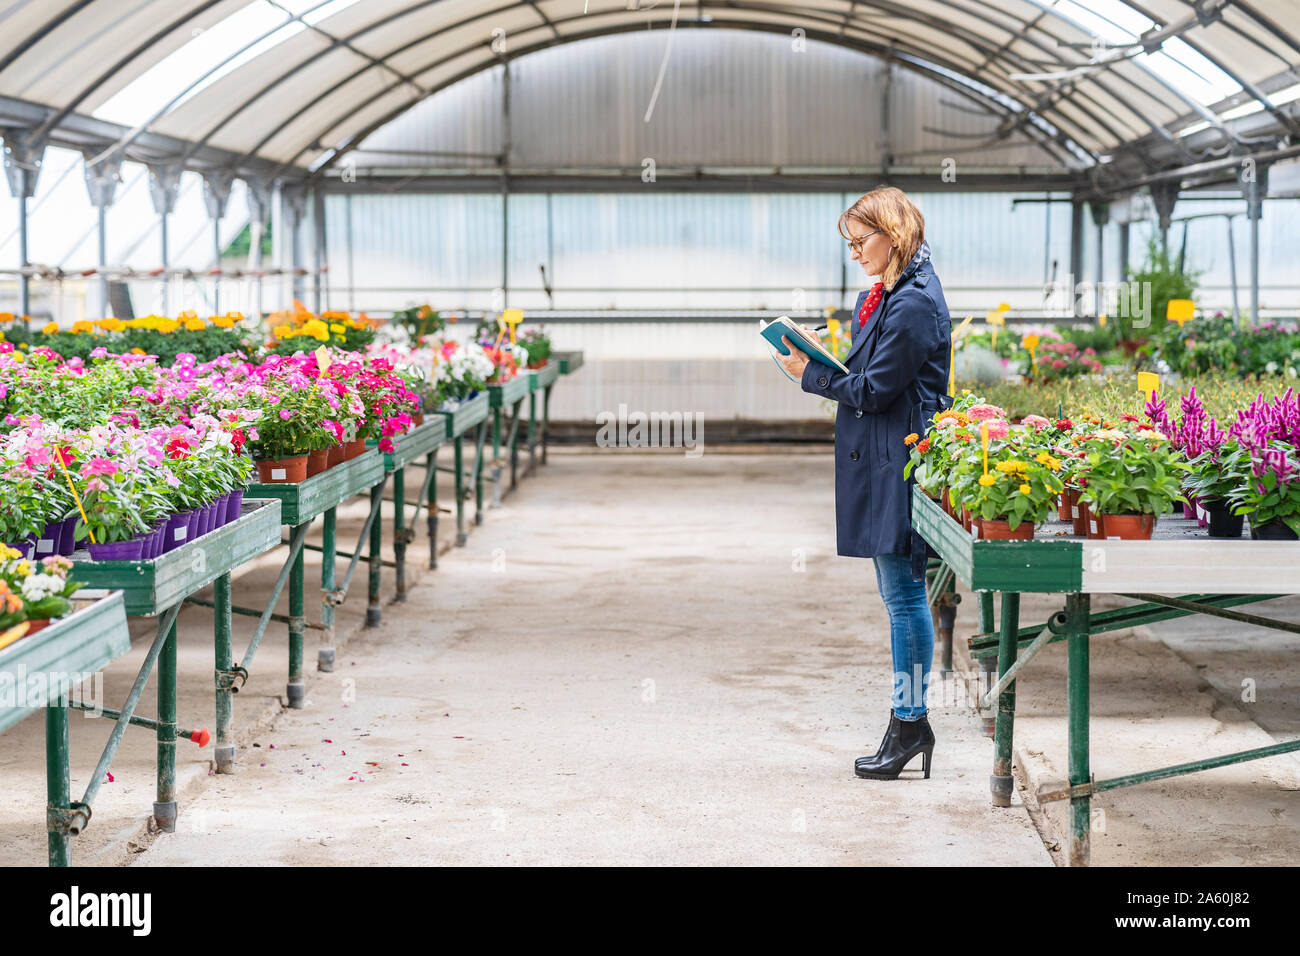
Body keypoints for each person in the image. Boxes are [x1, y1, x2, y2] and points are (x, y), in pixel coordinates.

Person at [775, 186, 951, 780]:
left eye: (860, 240)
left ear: (893, 235)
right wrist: (824, 363)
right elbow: (868, 376)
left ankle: (910, 724)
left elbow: (874, 390)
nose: (854, 253)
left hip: (899, 461)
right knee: (897, 595)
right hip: (880, 458)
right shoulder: (885, 295)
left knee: (904, 597)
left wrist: (811, 376)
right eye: (849, 242)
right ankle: (909, 723)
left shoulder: (914, 303)